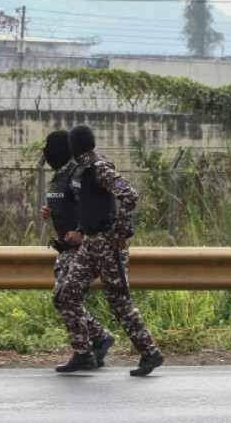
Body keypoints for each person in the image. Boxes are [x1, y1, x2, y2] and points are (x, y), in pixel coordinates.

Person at [53, 124, 164, 376]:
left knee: (118, 302)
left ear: (76, 145)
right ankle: (83, 353)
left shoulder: (99, 168)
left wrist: (118, 232)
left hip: (107, 245)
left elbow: (130, 195)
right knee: (67, 295)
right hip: (89, 243)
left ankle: (150, 352)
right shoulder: (79, 170)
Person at [39, 130, 116, 367]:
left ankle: (85, 351)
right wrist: (50, 212)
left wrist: (82, 233)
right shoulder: (61, 174)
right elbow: (68, 204)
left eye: (50, 147)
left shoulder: (78, 172)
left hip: (81, 248)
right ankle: (99, 339)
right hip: (65, 248)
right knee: (62, 298)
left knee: (64, 297)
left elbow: (93, 204)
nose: (47, 152)